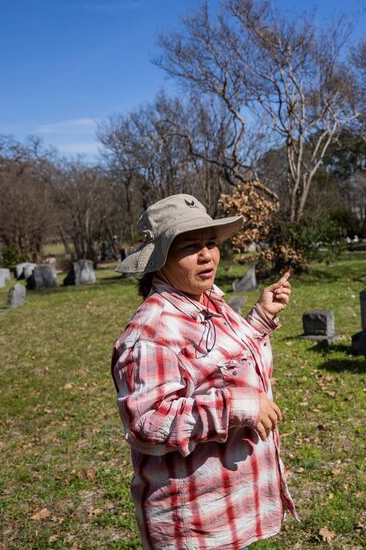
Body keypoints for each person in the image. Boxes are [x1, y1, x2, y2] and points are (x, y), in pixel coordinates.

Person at [111, 194, 296, 549]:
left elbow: (222, 362)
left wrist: (261, 316)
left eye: (211, 243)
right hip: (193, 522)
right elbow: (147, 423)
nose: (207, 255)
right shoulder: (151, 332)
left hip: (227, 504)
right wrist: (239, 406)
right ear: (160, 260)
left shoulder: (208, 301)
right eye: (191, 246)